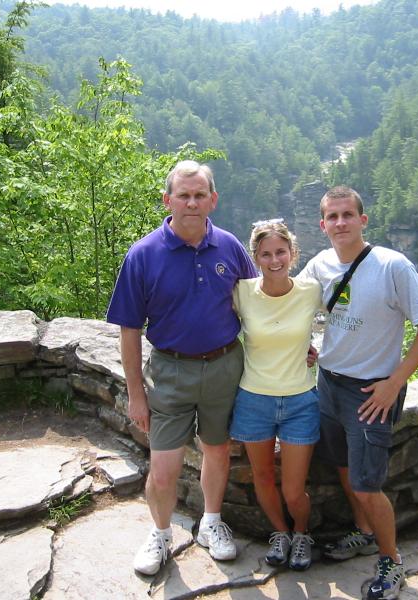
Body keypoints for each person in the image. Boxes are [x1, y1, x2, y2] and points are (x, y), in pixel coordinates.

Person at [106, 160, 257, 576]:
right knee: (163, 467)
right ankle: (160, 533)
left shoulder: (230, 247)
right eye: (183, 195)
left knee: (217, 450)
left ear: (213, 199)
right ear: (167, 200)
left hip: (225, 365)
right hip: (169, 372)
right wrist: (136, 394)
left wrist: (297, 347)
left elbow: (258, 306)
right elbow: (129, 330)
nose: (192, 203)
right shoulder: (143, 255)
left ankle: (211, 522)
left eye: (199, 195)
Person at [300, 186, 418, 600]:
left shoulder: (392, 266)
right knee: (344, 467)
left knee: (366, 484)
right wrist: (305, 344)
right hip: (329, 382)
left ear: (363, 220)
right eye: (332, 216)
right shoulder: (320, 264)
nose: (340, 222)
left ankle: (391, 561)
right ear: (322, 224)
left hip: (371, 392)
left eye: (348, 215)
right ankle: (362, 532)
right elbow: (292, 305)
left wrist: (393, 384)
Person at [228, 219, 322, 570]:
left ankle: (301, 533)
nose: (274, 260)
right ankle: (280, 533)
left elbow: (346, 317)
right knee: (264, 477)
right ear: (255, 257)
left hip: (300, 399)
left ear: (293, 253)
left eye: (281, 252)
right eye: (265, 254)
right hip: (254, 398)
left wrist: (321, 351)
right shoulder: (242, 292)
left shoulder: (311, 291)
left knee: (294, 489)